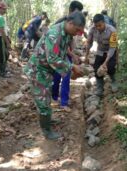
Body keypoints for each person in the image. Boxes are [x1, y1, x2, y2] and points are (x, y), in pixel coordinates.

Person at [24, 11, 85, 140]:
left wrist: (69, 72)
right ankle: (46, 131)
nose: (78, 33)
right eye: (77, 30)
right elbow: (52, 58)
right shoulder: (54, 34)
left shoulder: (67, 34)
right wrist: (72, 67)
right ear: (70, 23)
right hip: (38, 70)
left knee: (48, 97)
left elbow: (61, 55)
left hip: (47, 70)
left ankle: (47, 121)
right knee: (43, 102)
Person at [52, 1, 83, 111]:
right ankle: (54, 97)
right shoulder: (60, 24)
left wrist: (73, 53)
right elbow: (55, 49)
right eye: (76, 12)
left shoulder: (76, 24)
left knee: (66, 76)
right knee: (56, 76)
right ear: (70, 11)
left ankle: (64, 101)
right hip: (57, 54)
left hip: (66, 52)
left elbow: (70, 40)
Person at [85, 14, 118, 97]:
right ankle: (100, 88)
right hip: (100, 50)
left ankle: (113, 81)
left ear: (104, 23)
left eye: (100, 25)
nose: (98, 28)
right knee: (96, 68)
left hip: (110, 51)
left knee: (110, 67)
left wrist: (105, 62)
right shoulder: (92, 29)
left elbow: (112, 48)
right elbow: (89, 42)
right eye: (96, 26)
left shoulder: (112, 31)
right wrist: (86, 56)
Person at [0, 2, 11, 77]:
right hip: (2, 38)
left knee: (5, 54)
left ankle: (3, 69)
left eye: (5, 9)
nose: (5, 11)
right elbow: (2, 31)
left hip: (2, 37)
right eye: (4, 9)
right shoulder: (0, 18)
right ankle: (2, 72)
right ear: (0, 9)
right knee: (4, 55)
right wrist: (7, 42)